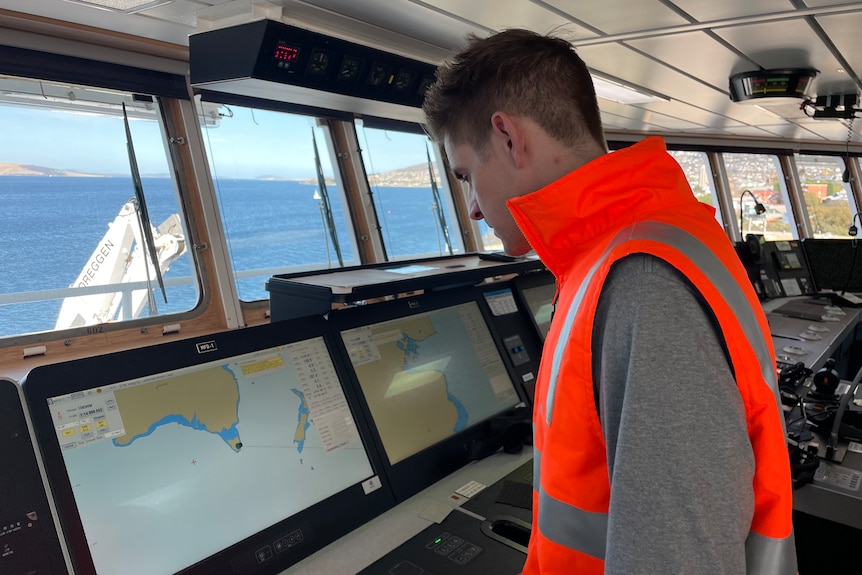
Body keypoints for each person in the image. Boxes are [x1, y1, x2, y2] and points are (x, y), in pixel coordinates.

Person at [423, 29, 796, 575]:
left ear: (507, 137)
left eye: (465, 175)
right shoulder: (628, 249)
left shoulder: (643, 280)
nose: (474, 208)